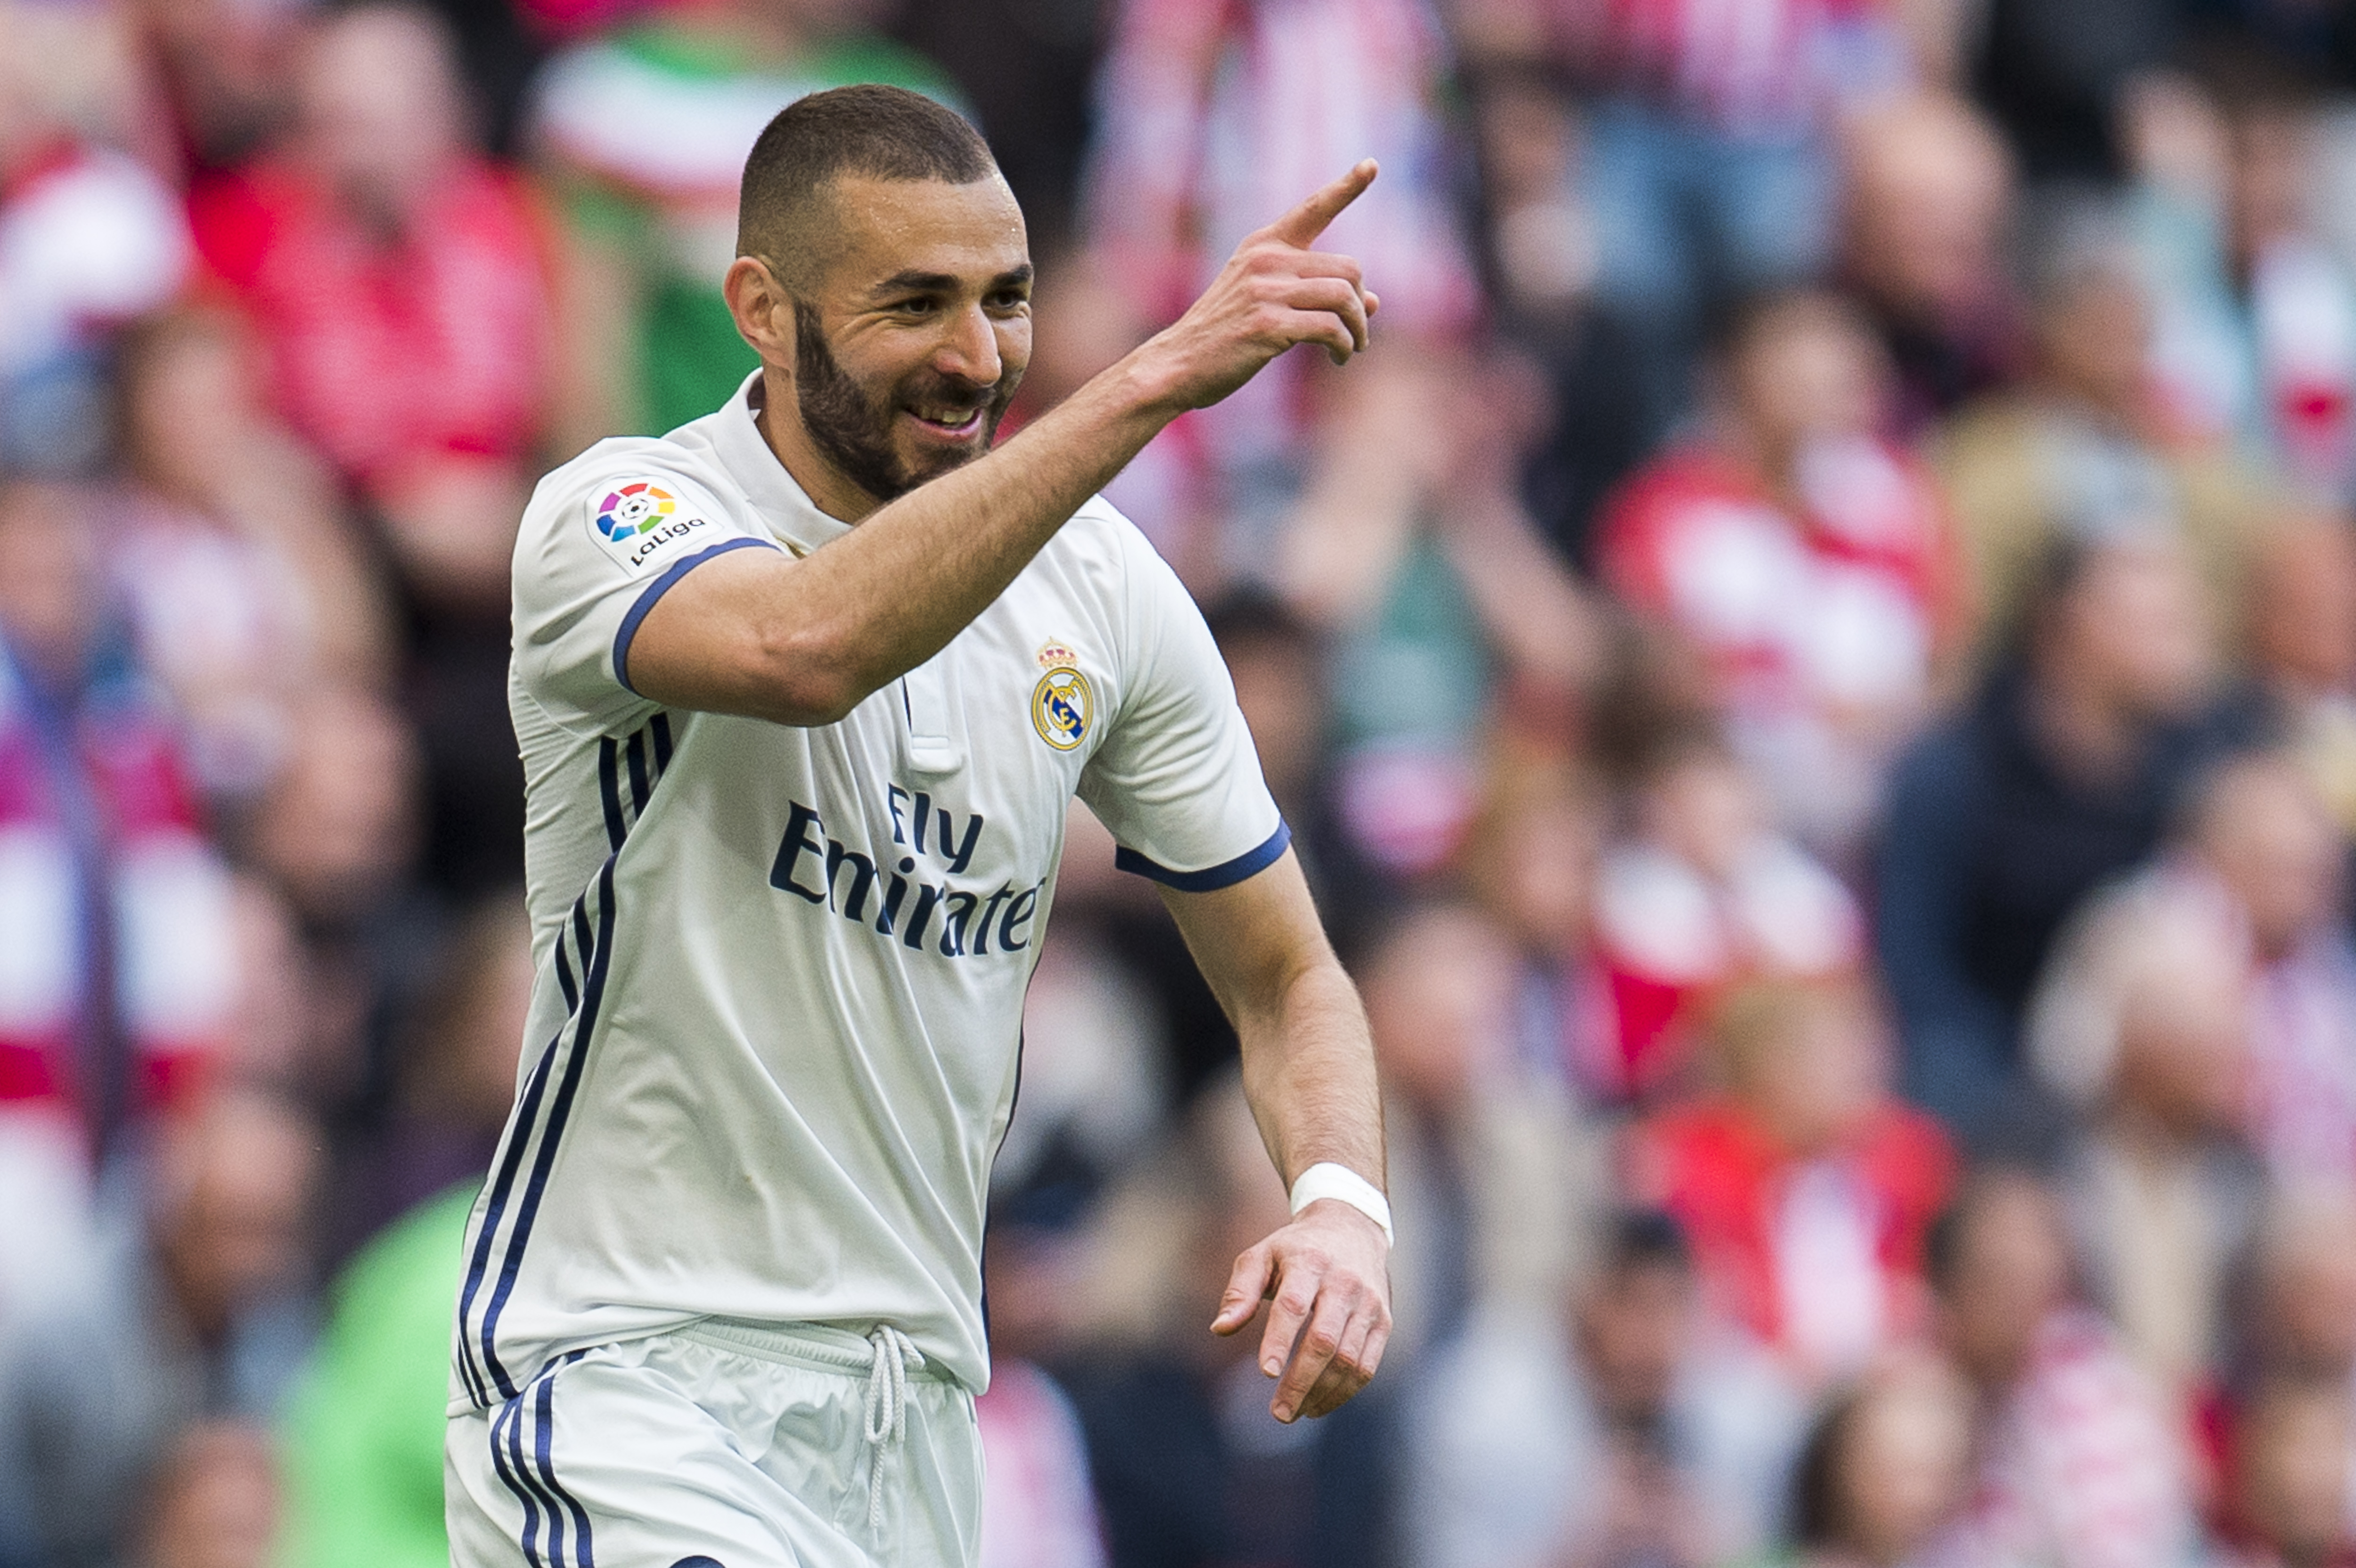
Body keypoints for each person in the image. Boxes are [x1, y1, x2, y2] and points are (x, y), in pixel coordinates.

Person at [445, 86, 1394, 1568]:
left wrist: (1340, 1207)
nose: (977, 357)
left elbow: (1288, 975)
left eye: (1009, 300)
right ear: (764, 308)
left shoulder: (1105, 594)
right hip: (635, 1388)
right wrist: (1147, 383)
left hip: (921, 1429)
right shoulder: (621, 514)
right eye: (916, 304)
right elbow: (805, 650)